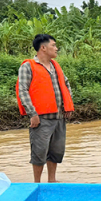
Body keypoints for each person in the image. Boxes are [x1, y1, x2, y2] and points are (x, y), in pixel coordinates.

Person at [15, 34, 74, 183]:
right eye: (53, 45)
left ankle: (52, 181)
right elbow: (23, 90)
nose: (56, 48)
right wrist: (32, 113)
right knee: (39, 152)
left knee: (56, 152)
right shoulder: (27, 66)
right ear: (43, 48)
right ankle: (37, 183)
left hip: (59, 117)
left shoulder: (55, 66)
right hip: (41, 119)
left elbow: (66, 85)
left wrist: (68, 104)